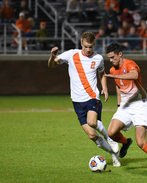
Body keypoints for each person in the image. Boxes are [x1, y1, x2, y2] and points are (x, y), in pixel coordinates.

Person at [48, 31, 121, 166]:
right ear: (81, 44)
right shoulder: (71, 54)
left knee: (92, 122)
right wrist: (52, 57)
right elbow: (52, 65)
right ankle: (113, 153)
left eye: (91, 47)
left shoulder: (98, 58)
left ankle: (110, 138)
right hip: (77, 101)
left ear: (94, 45)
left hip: (92, 97)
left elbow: (102, 73)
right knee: (92, 135)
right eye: (86, 46)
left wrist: (104, 87)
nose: (88, 50)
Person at [104, 42, 147, 172]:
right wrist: (118, 104)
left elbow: (134, 76)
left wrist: (115, 75)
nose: (111, 61)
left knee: (141, 142)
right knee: (111, 133)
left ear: (120, 54)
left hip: (139, 104)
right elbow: (118, 86)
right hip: (125, 105)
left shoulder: (130, 64)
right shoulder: (112, 69)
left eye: (113, 57)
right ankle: (126, 142)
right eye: (109, 58)